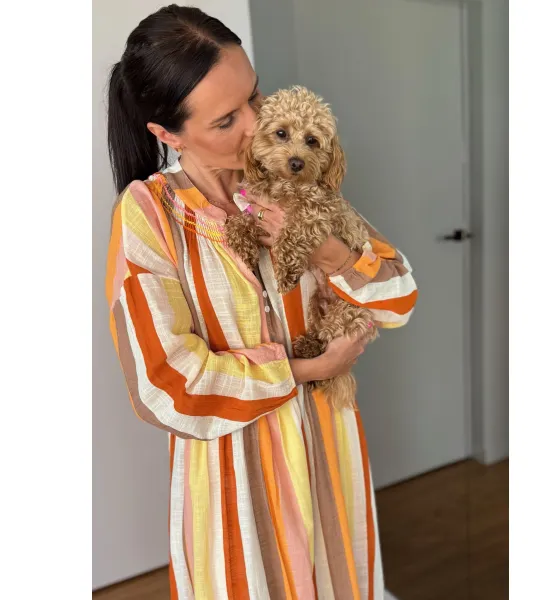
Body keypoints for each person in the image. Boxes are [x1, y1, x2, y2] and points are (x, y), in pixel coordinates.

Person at [105, 5, 418, 599]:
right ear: (167, 134)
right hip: (234, 472)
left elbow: (398, 301)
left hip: (330, 446)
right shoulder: (150, 215)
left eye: (255, 95)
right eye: (227, 119)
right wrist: (303, 369)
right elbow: (164, 383)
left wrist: (329, 253)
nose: (256, 125)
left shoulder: (296, 180)